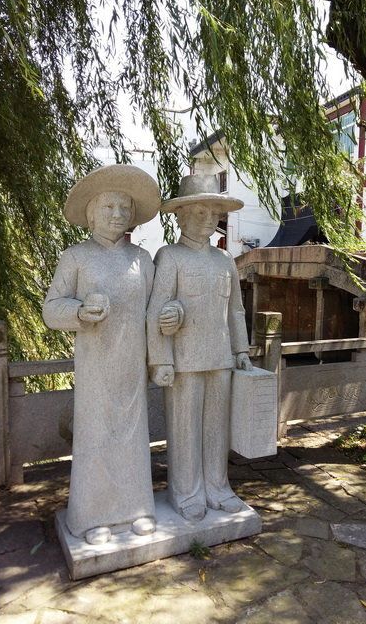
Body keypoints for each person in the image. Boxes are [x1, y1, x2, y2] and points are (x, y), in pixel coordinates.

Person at [43, 164, 171, 545]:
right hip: (95, 367)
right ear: (91, 213)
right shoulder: (76, 257)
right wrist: (80, 311)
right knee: (97, 437)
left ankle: (136, 509)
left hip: (132, 366)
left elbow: (155, 311)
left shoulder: (142, 260)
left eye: (124, 207)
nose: (117, 214)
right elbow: (51, 309)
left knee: (133, 438)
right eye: (108, 207)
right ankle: (94, 515)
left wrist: (171, 321)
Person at [147, 174, 253, 522]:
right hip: (185, 359)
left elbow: (236, 310)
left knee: (216, 427)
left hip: (220, 356)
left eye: (214, 213)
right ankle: (187, 491)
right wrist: (161, 359)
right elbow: (156, 311)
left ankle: (218, 487)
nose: (209, 219)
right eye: (200, 212)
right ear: (181, 216)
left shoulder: (225, 260)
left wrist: (241, 350)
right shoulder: (169, 257)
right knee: (185, 427)